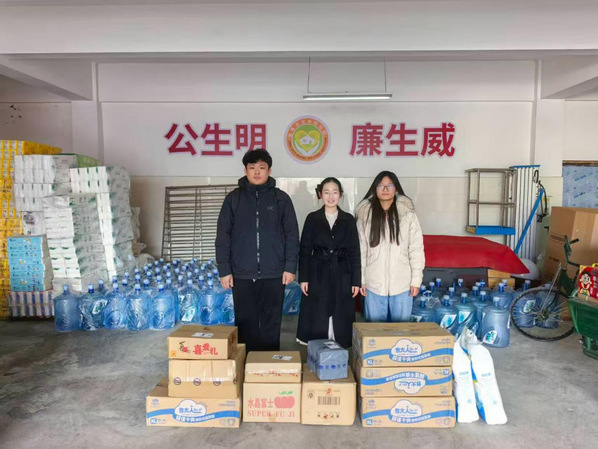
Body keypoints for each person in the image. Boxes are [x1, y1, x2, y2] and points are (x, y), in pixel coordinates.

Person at [215, 149, 300, 351]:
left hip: (274, 272)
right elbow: (223, 236)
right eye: (252, 167)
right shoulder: (233, 199)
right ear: (245, 171)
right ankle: (246, 362)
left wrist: (290, 267)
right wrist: (224, 270)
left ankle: (268, 364)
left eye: (262, 167)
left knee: (271, 322)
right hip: (241, 272)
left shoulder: (281, 199)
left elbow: (292, 235)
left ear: (269, 171)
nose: (256, 172)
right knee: (245, 322)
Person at [296, 178, 361, 348]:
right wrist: (303, 278)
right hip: (318, 271)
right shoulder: (312, 218)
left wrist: (356, 281)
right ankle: (318, 351)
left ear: (340, 195)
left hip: (342, 271)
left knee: (341, 311)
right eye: (326, 192)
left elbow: (355, 252)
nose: (331, 197)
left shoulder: (348, 219)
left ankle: (339, 351)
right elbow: (304, 251)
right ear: (320, 194)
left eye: (334, 192)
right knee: (318, 310)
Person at [355, 171, 425, 322]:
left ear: (396, 189)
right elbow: (361, 250)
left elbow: (416, 249)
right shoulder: (365, 216)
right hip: (373, 284)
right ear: (375, 189)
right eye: (381, 185)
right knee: (375, 331)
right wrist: (361, 279)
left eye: (389, 186)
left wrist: (415, 281)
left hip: (402, 285)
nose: (385, 189)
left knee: (401, 331)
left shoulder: (408, 215)